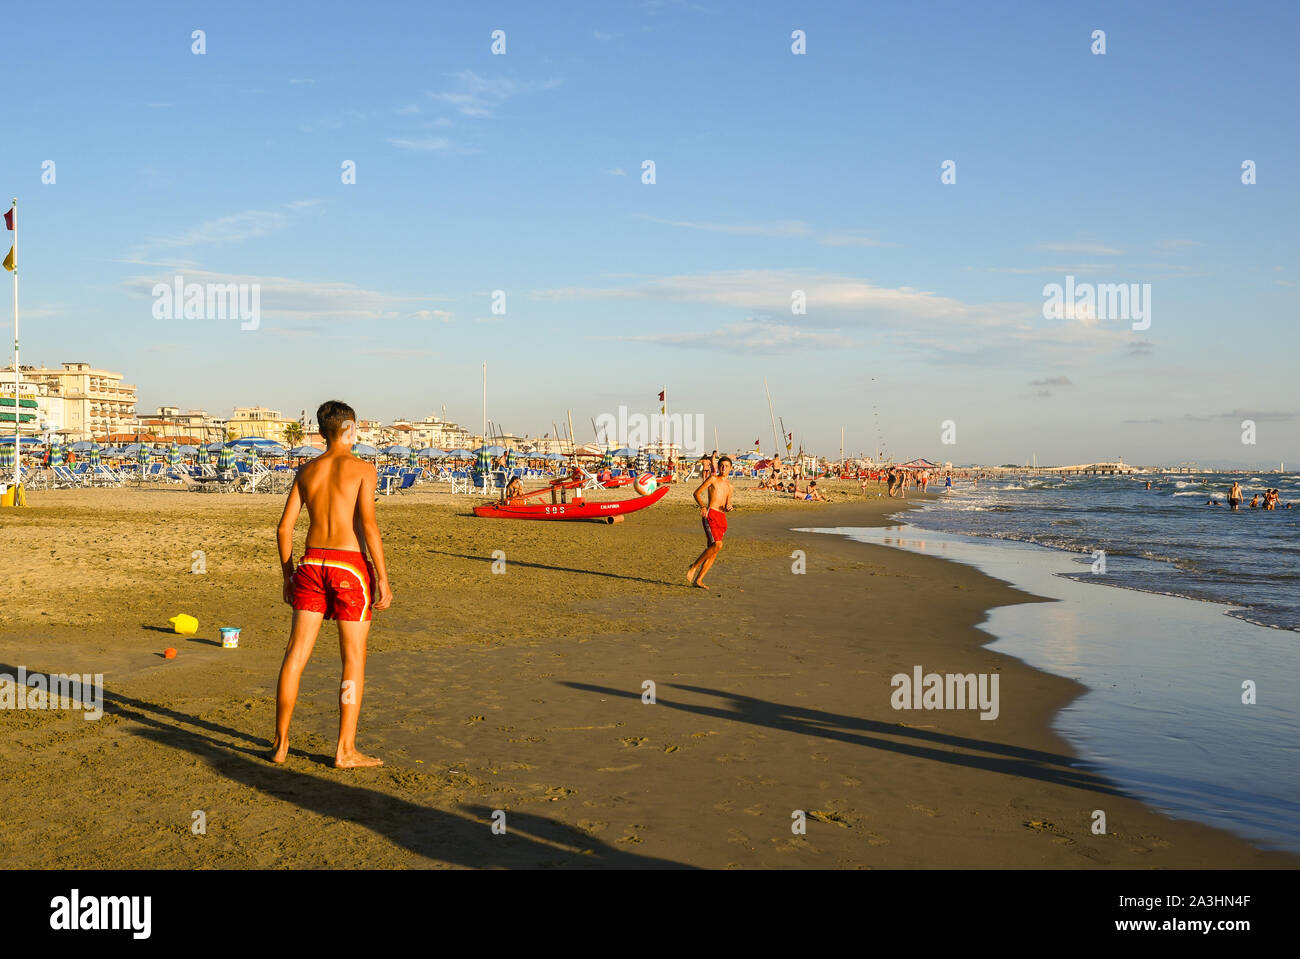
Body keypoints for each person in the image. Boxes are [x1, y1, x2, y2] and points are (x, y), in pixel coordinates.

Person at [272, 400, 393, 769]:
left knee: (295, 655)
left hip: (311, 563)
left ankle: (280, 744)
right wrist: (383, 578)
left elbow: (283, 529)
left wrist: (288, 574)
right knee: (353, 659)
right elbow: (368, 527)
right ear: (348, 429)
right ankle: (345, 750)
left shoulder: (307, 471)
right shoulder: (363, 469)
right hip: (348, 568)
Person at [686, 455, 734, 589]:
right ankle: (693, 566)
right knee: (718, 545)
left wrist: (729, 507)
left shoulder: (730, 486)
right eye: (722, 466)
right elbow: (696, 493)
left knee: (713, 551)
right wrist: (702, 506)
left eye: (727, 466)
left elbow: (726, 504)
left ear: (731, 468)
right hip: (710, 514)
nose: (724, 468)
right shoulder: (713, 479)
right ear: (718, 467)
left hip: (722, 518)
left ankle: (699, 580)